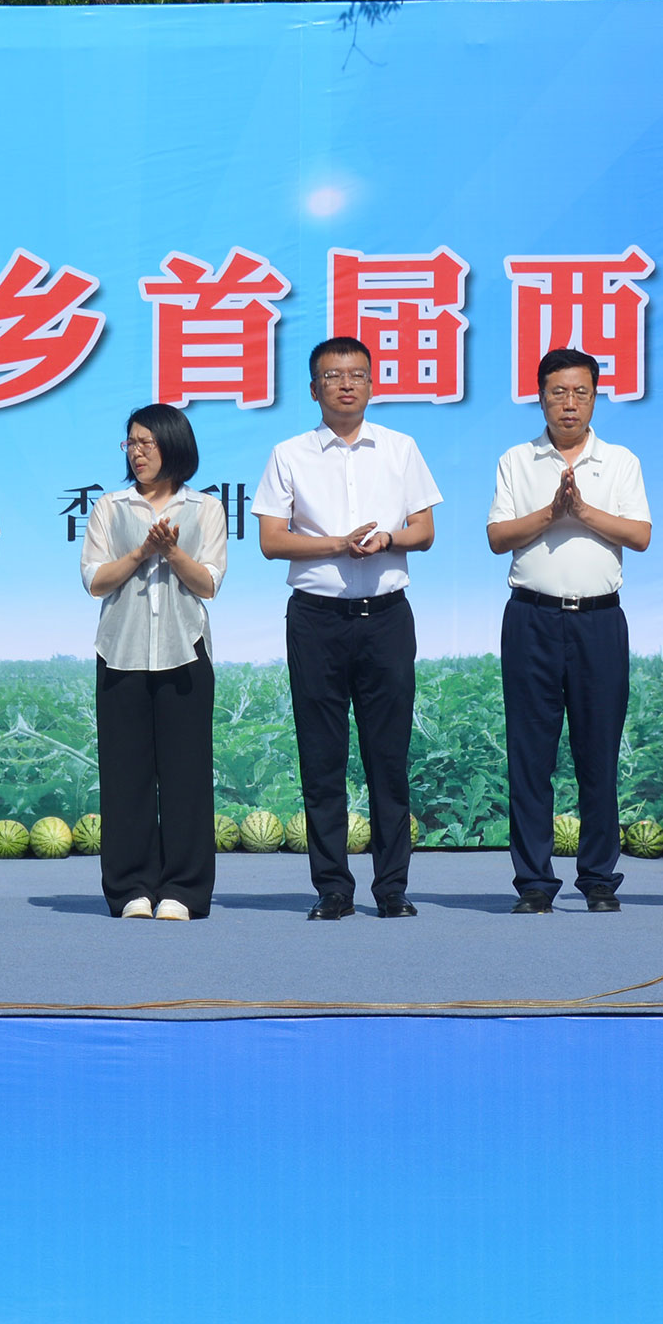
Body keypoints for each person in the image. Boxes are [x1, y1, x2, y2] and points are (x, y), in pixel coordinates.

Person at [257, 336, 441, 920]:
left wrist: (388, 538)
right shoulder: (289, 453)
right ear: (314, 389)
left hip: (386, 618)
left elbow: (424, 530)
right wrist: (337, 544)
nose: (345, 384)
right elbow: (271, 540)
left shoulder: (401, 448)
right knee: (322, 757)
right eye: (333, 376)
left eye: (357, 374)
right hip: (317, 619)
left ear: (371, 384)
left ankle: (392, 888)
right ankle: (333, 888)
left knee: (388, 757)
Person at [484, 347, 651, 914]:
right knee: (530, 755)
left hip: (599, 621)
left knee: (597, 753)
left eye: (581, 392)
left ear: (595, 397)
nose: (570, 403)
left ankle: (599, 878)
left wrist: (581, 511)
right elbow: (498, 537)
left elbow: (640, 535)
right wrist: (552, 512)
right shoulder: (516, 460)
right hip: (531, 618)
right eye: (558, 392)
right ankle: (534, 882)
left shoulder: (620, 461)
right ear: (541, 398)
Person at [83, 404, 225, 920]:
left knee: (187, 775)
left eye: (147, 442)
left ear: (174, 445)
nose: (137, 452)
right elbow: (94, 580)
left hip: (184, 651)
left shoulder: (205, 508)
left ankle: (184, 890)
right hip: (120, 652)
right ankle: (131, 888)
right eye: (131, 443)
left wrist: (173, 552)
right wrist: (142, 552)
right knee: (126, 777)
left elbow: (209, 582)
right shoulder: (110, 507)